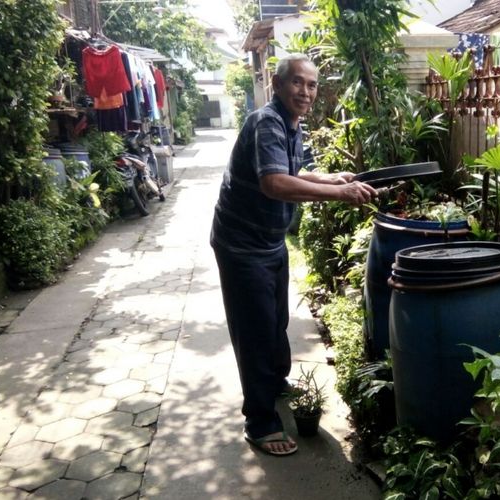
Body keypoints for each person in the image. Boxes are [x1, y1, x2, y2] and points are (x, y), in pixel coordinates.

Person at [210, 53, 377, 456]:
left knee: (276, 319)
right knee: (255, 329)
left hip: (269, 241)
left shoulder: (290, 124)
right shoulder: (267, 121)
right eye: (297, 83)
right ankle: (260, 420)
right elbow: (274, 183)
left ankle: (275, 382)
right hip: (241, 244)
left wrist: (330, 178)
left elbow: (292, 172)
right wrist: (340, 193)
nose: (306, 91)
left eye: (312, 84)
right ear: (278, 86)